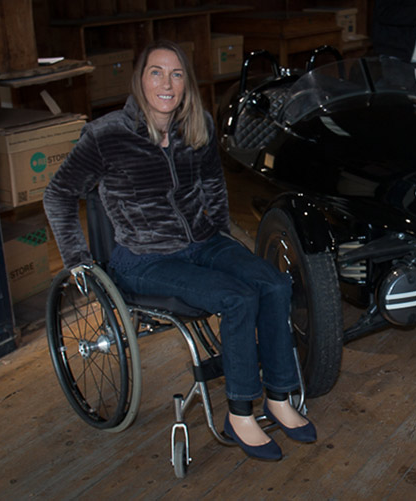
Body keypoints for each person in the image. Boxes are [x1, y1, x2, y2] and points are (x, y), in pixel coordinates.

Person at [43, 39, 315, 461]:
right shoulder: (107, 135)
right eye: (156, 72)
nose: (166, 83)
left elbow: (212, 185)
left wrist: (221, 233)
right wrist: (78, 261)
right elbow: (58, 194)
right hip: (145, 258)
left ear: (186, 82)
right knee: (238, 298)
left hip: (202, 241)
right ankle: (240, 412)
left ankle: (279, 396)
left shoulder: (197, 125)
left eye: (176, 74)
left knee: (273, 284)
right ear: (140, 79)